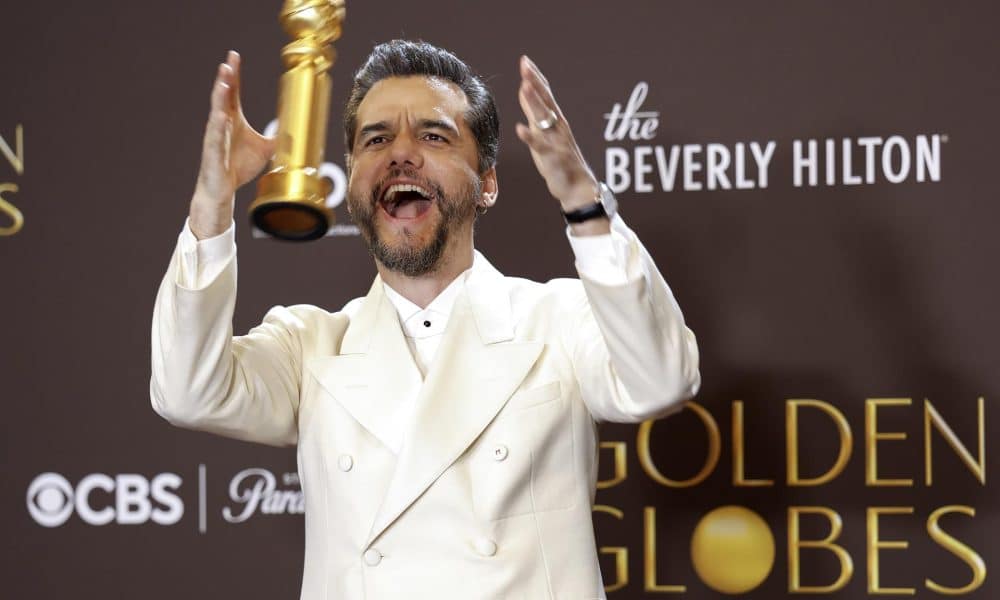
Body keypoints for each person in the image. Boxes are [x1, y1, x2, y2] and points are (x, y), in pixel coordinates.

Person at [151, 40, 699, 600]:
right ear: (352, 179)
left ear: (486, 182)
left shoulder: (558, 317)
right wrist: (211, 204)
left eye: (433, 136)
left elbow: (660, 382)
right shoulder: (311, 345)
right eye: (376, 138)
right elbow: (187, 391)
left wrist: (584, 204)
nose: (400, 154)